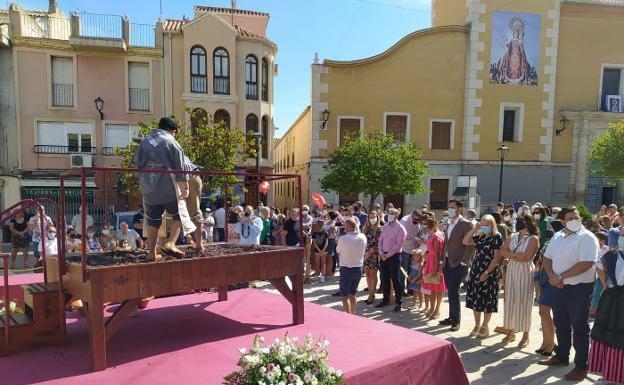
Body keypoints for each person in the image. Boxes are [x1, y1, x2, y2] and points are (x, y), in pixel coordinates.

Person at [538, 207, 600, 381]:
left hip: (579, 288)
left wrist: (561, 276)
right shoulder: (558, 236)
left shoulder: (587, 237)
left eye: (576, 217)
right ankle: (562, 356)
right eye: (569, 218)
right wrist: (551, 275)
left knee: (579, 326)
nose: (573, 220)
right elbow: (547, 258)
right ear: (563, 221)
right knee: (561, 322)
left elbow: (587, 262)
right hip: (558, 286)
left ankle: (581, 366)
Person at [135, 117, 189, 260]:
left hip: (148, 185)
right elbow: (180, 165)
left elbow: (138, 164)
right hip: (166, 184)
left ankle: (151, 253)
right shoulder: (171, 141)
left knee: (153, 218)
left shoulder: (145, 141)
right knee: (180, 214)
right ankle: (171, 243)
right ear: (173, 130)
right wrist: (185, 185)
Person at [500, 214, 540, 348]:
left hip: (525, 272)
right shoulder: (512, 236)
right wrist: (516, 255)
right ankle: (511, 331)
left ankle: (526, 335)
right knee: (510, 300)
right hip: (511, 270)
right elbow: (502, 251)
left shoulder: (533, 238)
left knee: (524, 301)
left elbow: (527, 257)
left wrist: (511, 255)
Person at [588, 241, 624, 384]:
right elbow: (599, 266)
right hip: (612, 300)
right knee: (609, 334)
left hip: (615, 299)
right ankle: (610, 375)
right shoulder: (611, 255)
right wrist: (607, 285)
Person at [462, 214, 503, 338]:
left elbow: (496, 257)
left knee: (487, 300)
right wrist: (475, 228)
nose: (484, 227)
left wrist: (487, 272)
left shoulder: (496, 236)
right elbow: (465, 240)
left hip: (489, 272)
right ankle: (477, 324)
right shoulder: (480, 236)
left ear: (492, 225)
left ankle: (485, 326)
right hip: (476, 270)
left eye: (487, 225)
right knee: (476, 299)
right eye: (483, 224)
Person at [440, 199, 475, 332]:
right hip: (448, 261)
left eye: (452, 207)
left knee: (454, 292)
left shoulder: (465, 224)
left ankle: (456, 320)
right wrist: (442, 260)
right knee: (450, 291)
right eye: (449, 207)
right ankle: (451, 316)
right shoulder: (449, 223)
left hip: (458, 263)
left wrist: (463, 261)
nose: (450, 210)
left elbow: (471, 245)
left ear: (459, 209)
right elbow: (446, 243)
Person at [376, 208, 407, 312]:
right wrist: (381, 253)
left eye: (392, 214)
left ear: (397, 215)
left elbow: (398, 245)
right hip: (383, 255)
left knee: (395, 279)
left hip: (394, 256)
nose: (389, 215)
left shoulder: (401, 228)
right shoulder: (385, 226)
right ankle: (385, 299)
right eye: (389, 213)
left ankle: (398, 302)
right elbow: (381, 240)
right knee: (384, 278)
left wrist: (388, 255)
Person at [336, 218, 367, 314]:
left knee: (344, 296)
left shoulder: (343, 238)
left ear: (348, 227)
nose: (344, 228)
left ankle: (348, 315)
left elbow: (338, 250)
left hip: (346, 269)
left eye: (345, 226)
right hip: (358, 269)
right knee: (353, 294)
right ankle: (352, 314)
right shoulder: (363, 237)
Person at [420, 217, 446, 319]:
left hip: (435, 263)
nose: (424, 226)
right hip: (431, 261)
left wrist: (436, 268)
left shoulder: (436, 235)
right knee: (433, 288)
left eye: (425, 224)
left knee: (437, 288)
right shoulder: (434, 234)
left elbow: (437, 253)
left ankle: (437, 309)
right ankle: (432, 308)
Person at [362, 210, 383, 304]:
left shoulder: (380, 229)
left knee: (373, 274)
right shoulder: (365, 228)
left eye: (374, 216)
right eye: (371, 217)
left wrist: (369, 252)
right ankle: (370, 292)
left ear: (378, 217)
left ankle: (371, 294)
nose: (372, 218)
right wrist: (364, 253)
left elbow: (379, 243)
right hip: (365, 254)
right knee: (367, 274)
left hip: (374, 254)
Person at [589, 232, 609, 317]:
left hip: (601, 275)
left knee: (598, 292)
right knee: (592, 293)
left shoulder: (607, 250)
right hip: (591, 275)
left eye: (597, 239)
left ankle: (593, 310)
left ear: (602, 241)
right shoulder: (591, 249)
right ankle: (592, 310)